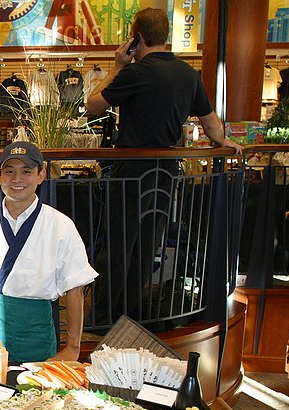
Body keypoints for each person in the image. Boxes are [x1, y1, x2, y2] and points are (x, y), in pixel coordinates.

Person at [85, 7, 242, 324]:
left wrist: (118, 66)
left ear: (136, 37)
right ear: (166, 35)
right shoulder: (188, 74)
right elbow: (212, 125)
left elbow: (93, 105)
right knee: (146, 244)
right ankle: (129, 316)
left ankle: (103, 317)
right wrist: (224, 143)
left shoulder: (135, 72)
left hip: (131, 169)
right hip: (166, 171)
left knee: (117, 244)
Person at [0, 141, 97, 363]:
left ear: (41, 175)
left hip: (36, 334)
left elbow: (75, 289)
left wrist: (73, 347)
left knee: (35, 395)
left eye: (27, 171)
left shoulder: (60, 225)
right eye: (10, 171)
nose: (17, 179)